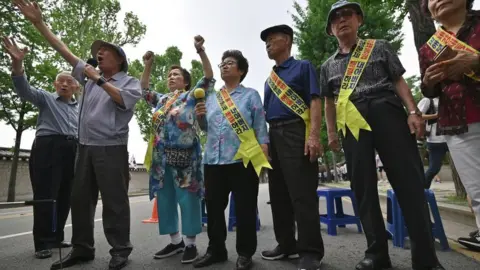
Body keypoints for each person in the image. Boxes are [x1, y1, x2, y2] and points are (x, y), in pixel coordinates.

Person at [14, 1, 142, 269]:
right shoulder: (87, 75)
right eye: (99, 51)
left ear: (119, 60)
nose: (100, 54)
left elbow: (123, 100)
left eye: (106, 51)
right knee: (79, 199)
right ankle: (82, 248)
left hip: (111, 148)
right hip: (84, 148)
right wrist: (38, 23)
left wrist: (97, 79)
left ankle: (120, 249)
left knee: (114, 201)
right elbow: (64, 50)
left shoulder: (129, 83)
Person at [320, 1, 444, 269]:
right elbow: (329, 102)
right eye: (336, 18)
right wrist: (331, 133)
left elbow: (399, 80)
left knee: (409, 183)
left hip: (386, 110)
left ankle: (425, 258)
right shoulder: (327, 66)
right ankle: (376, 254)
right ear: (331, 29)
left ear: (358, 20)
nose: (342, 20)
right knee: (362, 188)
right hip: (351, 123)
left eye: (348, 14)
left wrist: (413, 111)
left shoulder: (380, 46)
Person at [140, 35, 214, 264]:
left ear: (185, 82)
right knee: (165, 198)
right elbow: (143, 90)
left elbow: (209, 77)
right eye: (169, 75)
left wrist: (200, 51)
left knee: (188, 198)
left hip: (186, 157)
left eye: (176, 75)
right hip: (161, 159)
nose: (171, 78)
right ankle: (175, 242)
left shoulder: (190, 97)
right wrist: (148, 66)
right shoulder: (161, 101)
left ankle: (190, 243)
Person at [193, 50, 269, 270]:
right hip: (213, 162)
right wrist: (199, 117)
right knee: (214, 209)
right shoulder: (212, 98)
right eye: (223, 63)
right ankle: (216, 250)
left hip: (242, 159)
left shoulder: (251, 95)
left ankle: (245, 253)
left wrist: (263, 146)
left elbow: (259, 123)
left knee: (245, 208)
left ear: (241, 70)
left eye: (230, 63)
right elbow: (206, 128)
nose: (225, 66)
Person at [3, 36, 77, 259]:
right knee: (46, 195)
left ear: (76, 86)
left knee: (65, 196)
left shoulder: (79, 107)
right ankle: (42, 242)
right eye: (60, 81)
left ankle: (56, 236)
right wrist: (17, 64)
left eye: (68, 81)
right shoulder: (45, 98)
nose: (64, 84)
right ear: (55, 85)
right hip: (48, 148)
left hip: (71, 150)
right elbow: (24, 88)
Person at [260, 24, 325, 270]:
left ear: (286, 40)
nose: (267, 43)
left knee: (302, 194)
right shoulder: (270, 80)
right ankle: (286, 244)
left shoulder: (303, 67)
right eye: (265, 41)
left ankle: (310, 251)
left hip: (297, 131)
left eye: (272, 39)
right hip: (273, 134)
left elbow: (314, 101)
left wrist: (314, 136)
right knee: (278, 194)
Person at [420, 0, 480, 251]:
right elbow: (429, 90)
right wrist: (429, 82)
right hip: (459, 123)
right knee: (478, 192)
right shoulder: (428, 47)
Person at [417, 97, 449, 189]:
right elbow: (417, 115)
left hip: (453, 138)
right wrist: (436, 115)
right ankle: (423, 191)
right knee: (434, 168)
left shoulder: (449, 97)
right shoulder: (428, 100)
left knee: (464, 167)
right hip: (435, 140)